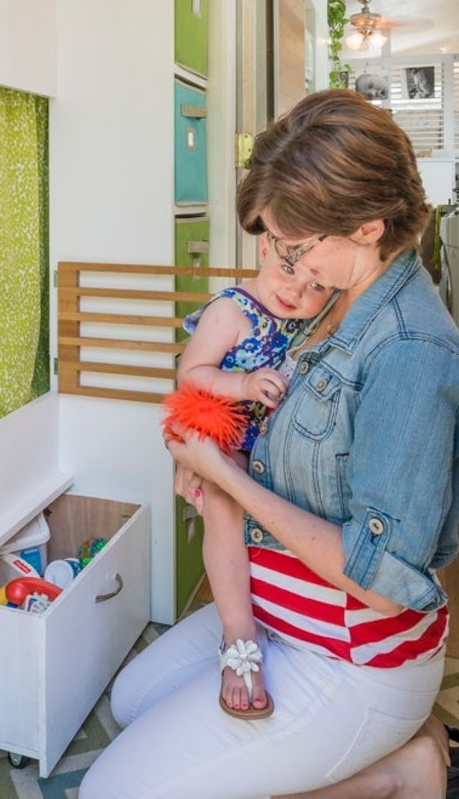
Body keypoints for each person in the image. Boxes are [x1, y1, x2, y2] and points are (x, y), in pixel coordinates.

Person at [80, 89, 459, 799]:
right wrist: (205, 450)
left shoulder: (411, 355)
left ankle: (395, 770)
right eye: (272, 244)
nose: (283, 268)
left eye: (294, 246)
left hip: (351, 654)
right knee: (130, 704)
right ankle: (398, 760)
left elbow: (381, 585)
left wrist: (227, 480)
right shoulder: (329, 297)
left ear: (365, 227)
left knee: (111, 792)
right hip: (274, 606)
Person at [167, 236, 332, 717]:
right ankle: (239, 632)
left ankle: (290, 619)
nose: (296, 291)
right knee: (223, 506)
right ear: (264, 249)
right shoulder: (231, 310)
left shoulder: (309, 320)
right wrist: (241, 384)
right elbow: (191, 373)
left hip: (269, 442)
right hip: (224, 433)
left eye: (316, 285)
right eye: (288, 269)